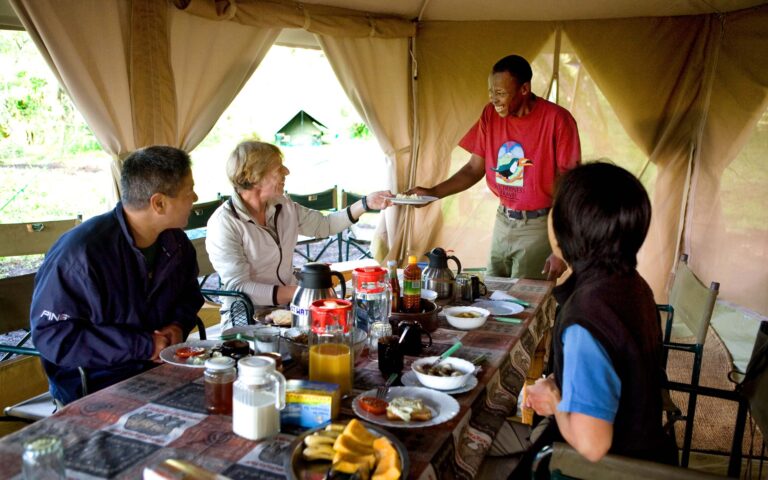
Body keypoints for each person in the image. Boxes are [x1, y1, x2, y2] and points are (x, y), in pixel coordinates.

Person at [520, 162, 677, 474]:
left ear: (569, 229)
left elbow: (592, 444)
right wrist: (562, 382)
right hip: (645, 449)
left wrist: (553, 400)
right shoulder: (629, 282)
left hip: (603, 469)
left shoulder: (587, 316)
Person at [30, 146, 204, 405]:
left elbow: (189, 295)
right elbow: (53, 336)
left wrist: (177, 325)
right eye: (189, 190)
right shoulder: (81, 255)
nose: (196, 197)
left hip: (163, 369)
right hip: (96, 383)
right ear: (159, 203)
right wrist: (143, 345)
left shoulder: (175, 242)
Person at [407, 54, 581, 280]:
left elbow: (572, 187)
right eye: (491, 93)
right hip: (503, 220)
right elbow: (473, 169)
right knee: (494, 293)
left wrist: (561, 247)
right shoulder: (490, 115)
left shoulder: (558, 119)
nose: (494, 100)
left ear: (524, 89)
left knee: (524, 301)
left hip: (540, 225)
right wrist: (432, 193)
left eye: (500, 93)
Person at [205, 141, 392, 327]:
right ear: (254, 176)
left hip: (289, 310)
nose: (286, 171)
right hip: (245, 319)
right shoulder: (224, 223)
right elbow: (240, 287)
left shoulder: (283, 205)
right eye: (278, 167)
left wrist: (366, 203)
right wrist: (304, 292)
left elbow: (324, 225)